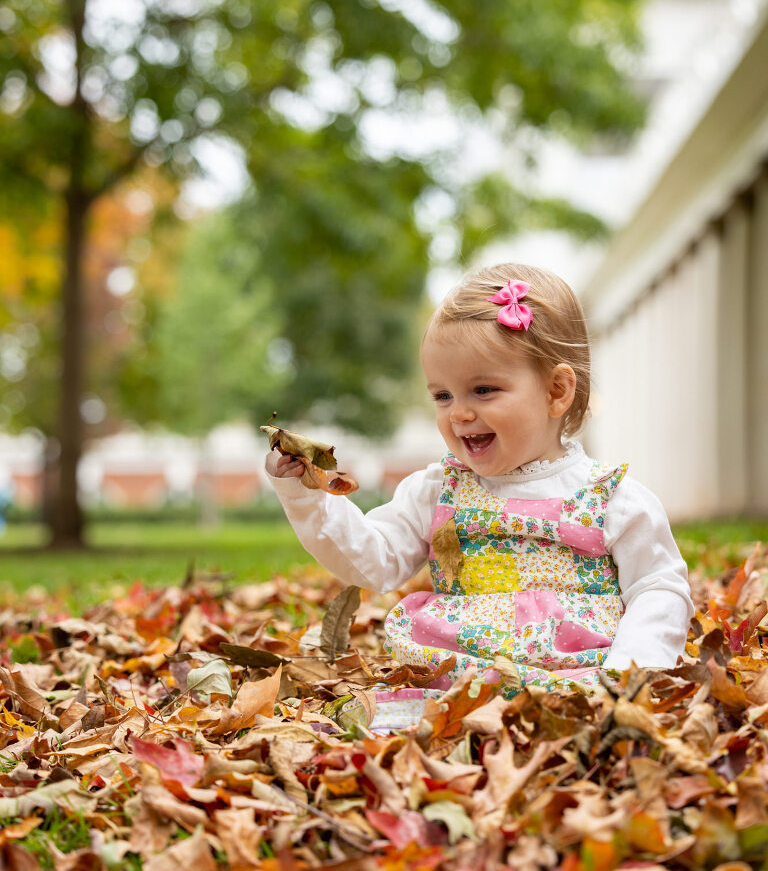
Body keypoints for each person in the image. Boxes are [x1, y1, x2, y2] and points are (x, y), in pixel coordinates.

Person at [266, 263, 693, 730]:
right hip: (459, 679)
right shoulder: (438, 490)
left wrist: (628, 677)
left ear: (557, 390)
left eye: (483, 390)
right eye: (442, 395)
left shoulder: (610, 498)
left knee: (569, 729)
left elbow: (657, 589)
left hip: (579, 679)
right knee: (374, 721)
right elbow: (374, 559)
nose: (460, 414)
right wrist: (305, 494)